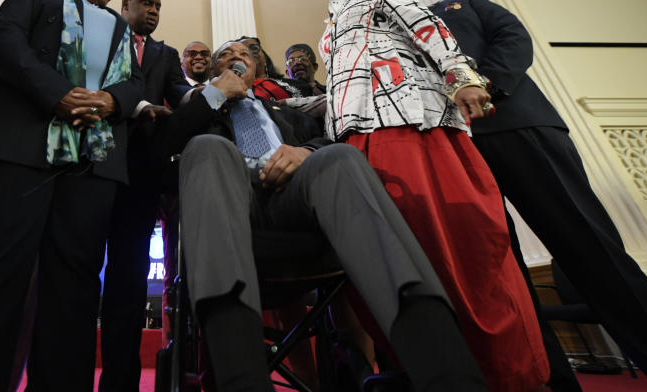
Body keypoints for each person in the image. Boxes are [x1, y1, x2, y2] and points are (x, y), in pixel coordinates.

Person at [155, 40, 488, 392]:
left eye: (245, 53)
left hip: (293, 203)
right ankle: (241, 378)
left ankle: (448, 373)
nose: (237, 57)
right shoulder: (193, 108)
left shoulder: (287, 112)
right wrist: (214, 95)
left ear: (256, 70)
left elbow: (324, 140)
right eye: (226, 54)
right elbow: (158, 154)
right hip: (228, 208)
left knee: (340, 158)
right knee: (209, 147)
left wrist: (305, 152)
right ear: (214, 69)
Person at [304, 0, 549, 391]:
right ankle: (421, 368)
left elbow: (427, 27)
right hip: (354, 137)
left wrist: (462, 77)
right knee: (381, 256)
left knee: (446, 239)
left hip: (407, 120)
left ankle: (501, 373)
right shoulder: (328, 29)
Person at [0, 0, 144, 392]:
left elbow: (135, 83)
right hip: (19, 148)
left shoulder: (120, 27)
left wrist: (111, 101)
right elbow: (5, 41)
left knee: (76, 286)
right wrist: (58, 93)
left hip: (92, 163)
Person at [431, 0, 647, 386]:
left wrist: (488, 85)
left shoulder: (463, 3)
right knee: (506, 276)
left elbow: (513, 36)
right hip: (454, 150)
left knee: (590, 246)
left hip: (517, 122)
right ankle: (551, 381)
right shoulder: (385, 35)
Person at [99, 0, 190, 392]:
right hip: (94, 166)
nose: (153, 10)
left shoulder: (167, 55)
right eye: (146, 3)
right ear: (126, 4)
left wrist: (205, 95)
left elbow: (181, 94)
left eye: (158, 5)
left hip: (140, 178)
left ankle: (121, 382)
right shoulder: (101, 33)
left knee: (130, 278)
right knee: (79, 272)